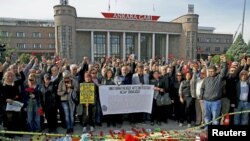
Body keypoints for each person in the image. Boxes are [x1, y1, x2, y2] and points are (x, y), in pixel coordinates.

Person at [200, 55, 227, 129]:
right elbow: (202, 88)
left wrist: (224, 62)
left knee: (215, 119)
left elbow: (224, 71)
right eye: (209, 71)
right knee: (207, 118)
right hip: (206, 102)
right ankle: (206, 130)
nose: (211, 73)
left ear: (215, 71)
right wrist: (201, 97)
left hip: (216, 102)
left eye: (212, 71)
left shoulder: (219, 78)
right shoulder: (206, 79)